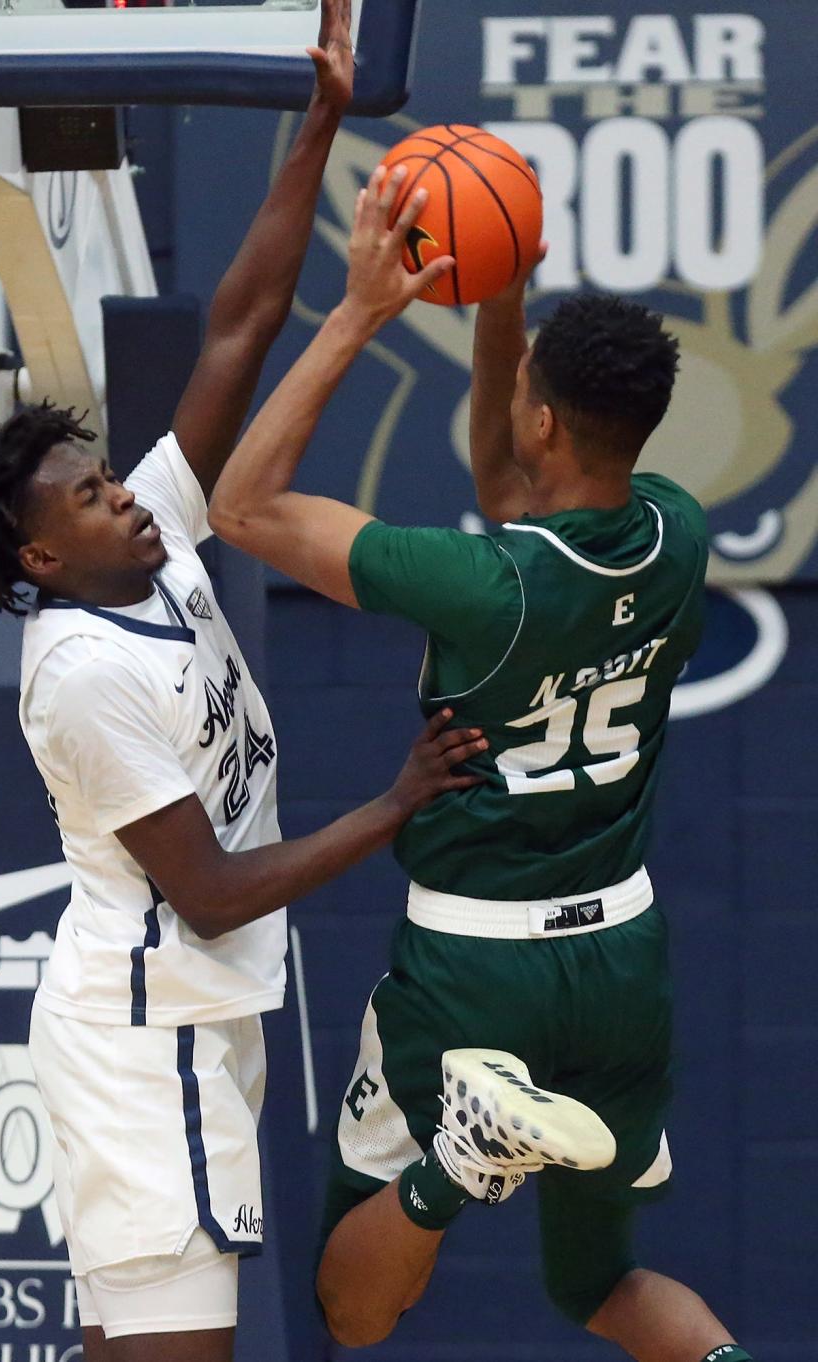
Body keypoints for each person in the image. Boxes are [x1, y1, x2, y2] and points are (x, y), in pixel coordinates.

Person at [0, 22, 490, 1359]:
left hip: (199, 1014)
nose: (121, 490)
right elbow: (216, 888)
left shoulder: (157, 543)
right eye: (87, 494)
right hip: (140, 1037)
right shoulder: (79, 675)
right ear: (40, 553)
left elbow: (241, 318)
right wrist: (396, 802)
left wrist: (317, 121)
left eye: (109, 474)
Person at [207, 164, 756, 1362]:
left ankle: (462, 1153)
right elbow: (519, 488)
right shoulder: (676, 533)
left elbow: (241, 508)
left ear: (545, 416)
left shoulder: (485, 586)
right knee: (599, 1283)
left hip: (476, 969)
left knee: (354, 1309)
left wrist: (359, 308)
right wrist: (498, 293)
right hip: (621, 958)